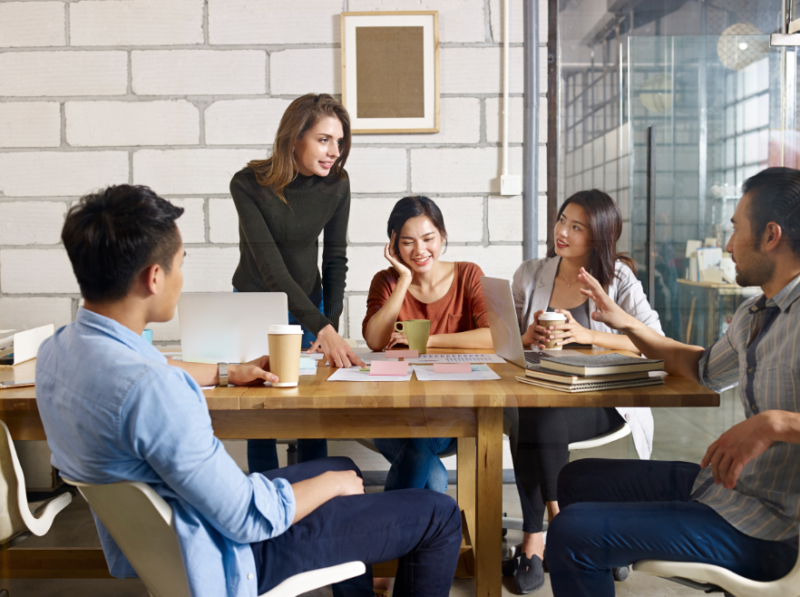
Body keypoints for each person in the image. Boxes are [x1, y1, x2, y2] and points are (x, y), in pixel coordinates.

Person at [36, 184, 462, 597]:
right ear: (153, 278)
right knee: (438, 514)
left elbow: (149, 362)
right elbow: (245, 516)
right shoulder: (157, 392)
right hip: (227, 553)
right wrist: (329, 487)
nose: (181, 276)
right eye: (180, 264)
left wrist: (227, 371)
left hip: (163, 543)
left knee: (340, 464)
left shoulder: (57, 353)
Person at [546, 167, 800, 597]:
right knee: (575, 479)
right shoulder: (756, 315)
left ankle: (593, 552)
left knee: (572, 533)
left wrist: (774, 423)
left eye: (736, 229)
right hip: (728, 489)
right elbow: (702, 369)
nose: (727, 244)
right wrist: (622, 321)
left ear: (771, 236)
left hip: (771, 529)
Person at [508, 190, 662, 594]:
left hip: (600, 401)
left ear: (599, 236)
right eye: (562, 220)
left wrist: (587, 334)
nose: (563, 232)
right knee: (531, 412)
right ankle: (553, 533)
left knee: (535, 416)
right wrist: (526, 336)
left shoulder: (618, 278)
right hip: (541, 398)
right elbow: (506, 342)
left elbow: (656, 341)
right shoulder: (530, 273)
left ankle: (547, 536)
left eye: (577, 227)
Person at [230, 93, 365, 475]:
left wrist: (329, 324)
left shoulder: (337, 184)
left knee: (311, 403)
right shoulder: (247, 184)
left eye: (339, 141)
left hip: (311, 301)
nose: (334, 151)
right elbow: (271, 271)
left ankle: (314, 496)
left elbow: (335, 258)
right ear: (294, 138)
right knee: (260, 406)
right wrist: (320, 324)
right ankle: (263, 496)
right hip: (257, 302)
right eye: (324, 139)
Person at [362, 196, 492, 493]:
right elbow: (374, 340)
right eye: (407, 242)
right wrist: (404, 279)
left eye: (428, 238)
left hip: (450, 410)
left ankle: (388, 534)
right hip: (393, 411)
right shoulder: (386, 281)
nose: (420, 251)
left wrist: (426, 342)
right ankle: (433, 534)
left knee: (424, 449)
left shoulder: (468, 274)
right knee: (433, 477)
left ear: (442, 236)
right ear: (394, 246)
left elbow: (492, 337)